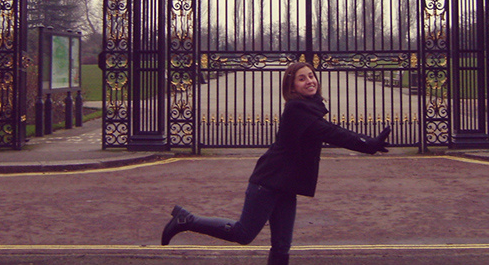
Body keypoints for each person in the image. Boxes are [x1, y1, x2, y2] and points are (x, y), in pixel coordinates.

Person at [161, 60, 391, 265]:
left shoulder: (310, 106)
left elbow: (331, 131)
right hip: (268, 184)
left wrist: (368, 143)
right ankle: (187, 220)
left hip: (286, 185)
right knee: (243, 234)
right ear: (291, 88)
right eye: (302, 79)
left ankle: (187, 219)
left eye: (311, 76)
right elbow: (332, 133)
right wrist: (368, 144)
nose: (309, 81)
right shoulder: (296, 109)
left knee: (282, 246)